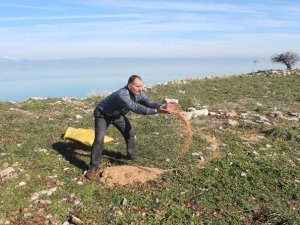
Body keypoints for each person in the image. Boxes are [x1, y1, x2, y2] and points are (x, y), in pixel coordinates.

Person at [85, 75, 180, 180]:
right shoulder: (122, 94)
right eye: (138, 86)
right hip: (103, 115)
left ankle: (131, 156)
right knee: (99, 139)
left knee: (129, 132)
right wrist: (157, 111)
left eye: (141, 86)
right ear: (130, 86)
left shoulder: (139, 93)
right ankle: (93, 168)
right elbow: (136, 107)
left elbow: (149, 103)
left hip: (117, 115)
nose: (141, 88)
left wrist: (161, 106)